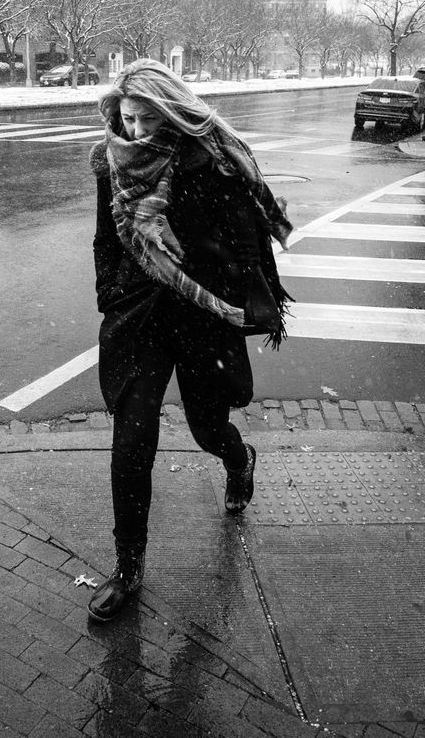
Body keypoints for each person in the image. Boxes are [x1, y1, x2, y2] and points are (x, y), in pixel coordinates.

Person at [87, 58, 293, 623]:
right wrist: (114, 293)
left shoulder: (210, 165)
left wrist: (222, 292)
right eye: (127, 119)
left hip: (201, 318)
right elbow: (106, 239)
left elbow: (246, 244)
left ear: (173, 117)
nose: (133, 133)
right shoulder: (112, 162)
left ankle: (238, 458)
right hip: (139, 321)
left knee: (207, 429)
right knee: (132, 441)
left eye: (146, 122)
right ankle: (128, 568)